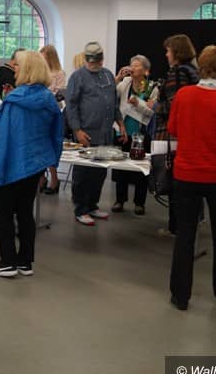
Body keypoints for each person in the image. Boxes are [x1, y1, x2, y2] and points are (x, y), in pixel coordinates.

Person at [168, 45, 216, 311]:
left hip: (186, 173)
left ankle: (180, 296)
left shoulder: (184, 95)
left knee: (185, 234)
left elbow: (173, 129)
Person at [0, 51, 64, 277]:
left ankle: (7, 261)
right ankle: (25, 261)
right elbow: (56, 134)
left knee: (4, 213)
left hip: (10, 164)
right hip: (35, 164)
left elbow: (1, 139)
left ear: (27, 69)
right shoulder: (48, 98)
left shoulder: (14, 101)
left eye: (17, 65)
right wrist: (49, 161)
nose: (14, 68)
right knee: (25, 213)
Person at [65, 41, 127, 226]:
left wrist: (121, 123)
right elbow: (71, 105)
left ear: (102, 59)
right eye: (91, 62)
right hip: (86, 132)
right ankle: (80, 209)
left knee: (99, 172)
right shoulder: (77, 77)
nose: (94, 65)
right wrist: (77, 130)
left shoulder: (108, 75)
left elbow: (113, 103)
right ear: (86, 60)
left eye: (97, 61)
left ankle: (92, 205)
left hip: (106, 132)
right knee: (83, 172)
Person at [154, 34, 199, 237]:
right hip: (188, 135)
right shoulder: (193, 72)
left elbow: (175, 106)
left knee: (173, 182)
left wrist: (155, 106)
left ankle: (176, 228)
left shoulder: (178, 73)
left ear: (176, 52)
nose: (166, 54)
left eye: (168, 50)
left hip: (172, 135)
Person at [111, 55, 158, 215]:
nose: (132, 67)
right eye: (131, 64)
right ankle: (120, 200)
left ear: (146, 71)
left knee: (141, 168)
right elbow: (111, 93)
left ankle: (139, 203)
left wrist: (138, 103)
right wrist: (118, 78)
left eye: (137, 65)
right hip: (123, 130)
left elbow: (152, 112)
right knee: (120, 167)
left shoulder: (152, 87)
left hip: (141, 133)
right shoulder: (125, 82)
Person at [39, 44, 67, 194]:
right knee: (39, 145)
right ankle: (41, 178)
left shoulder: (59, 73)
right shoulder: (40, 72)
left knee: (50, 146)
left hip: (52, 111)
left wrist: (48, 93)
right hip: (40, 112)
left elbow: (60, 93)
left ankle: (54, 179)